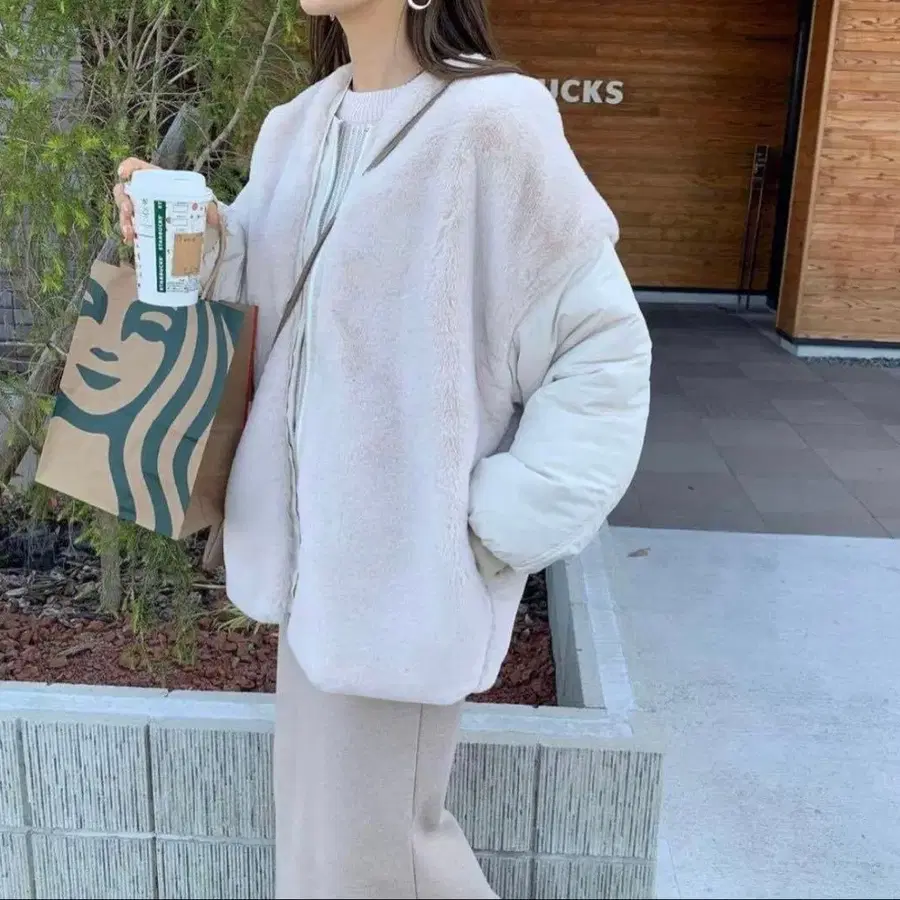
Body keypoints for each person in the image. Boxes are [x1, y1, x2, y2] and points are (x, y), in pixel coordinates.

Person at [114, 0, 652, 896]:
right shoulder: (301, 125)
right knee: (327, 858)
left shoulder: (494, 122)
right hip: (311, 574)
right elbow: (274, 300)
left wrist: (494, 524)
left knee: (379, 863)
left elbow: (600, 346)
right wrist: (200, 241)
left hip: (402, 579)